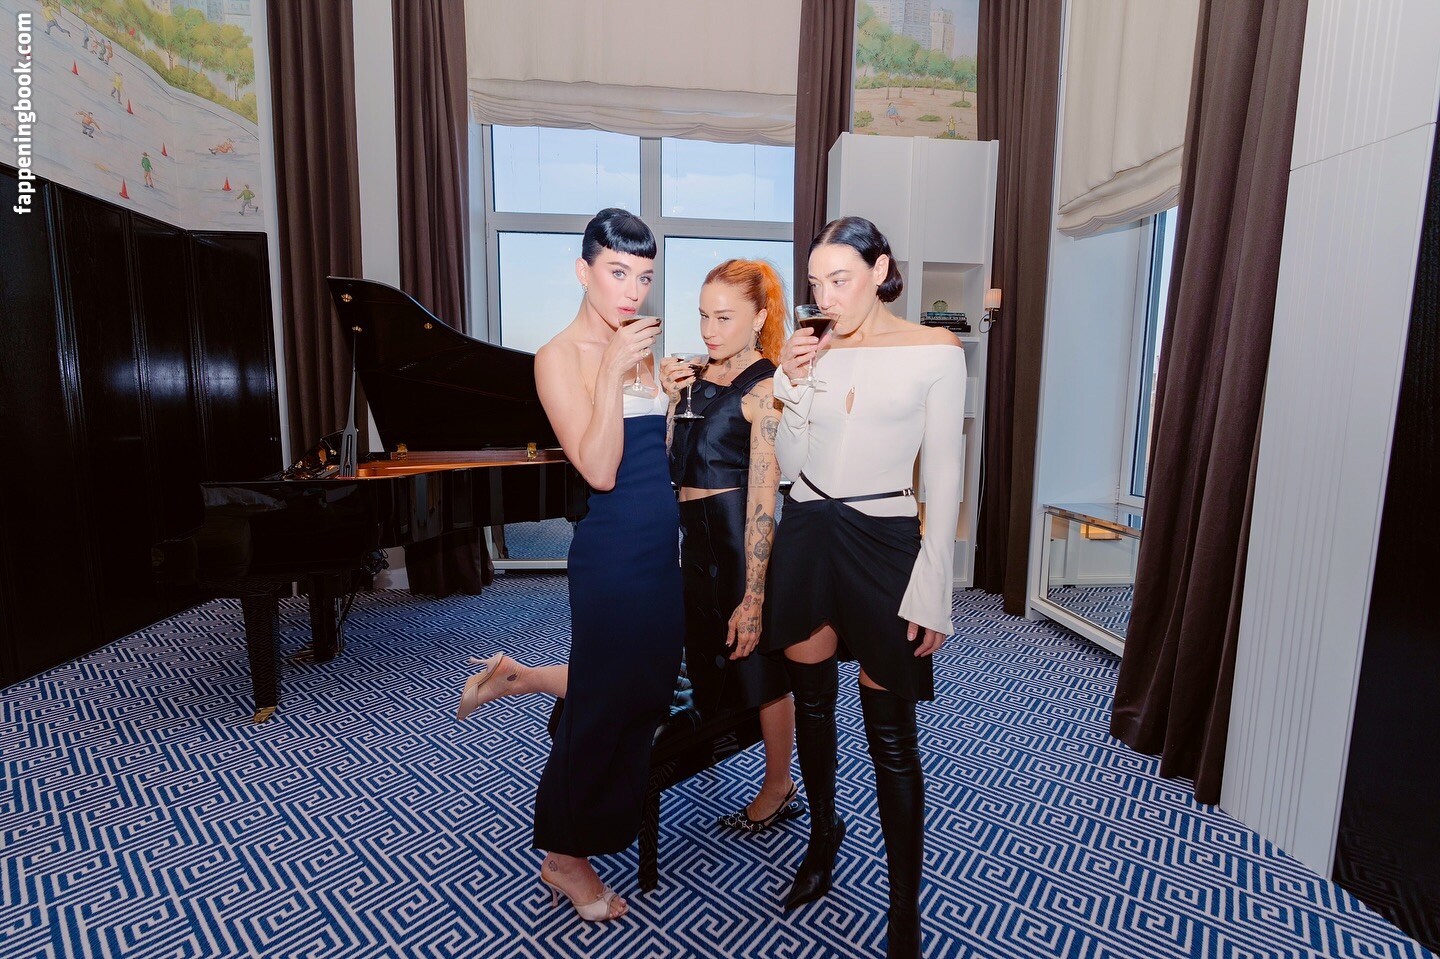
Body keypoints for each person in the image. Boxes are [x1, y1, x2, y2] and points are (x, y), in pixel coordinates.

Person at [455, 208, 681, 923]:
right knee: (603, 702)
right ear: (583, 270)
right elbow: (600, 469)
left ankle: (520, 678)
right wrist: (612, 371)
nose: (632, 291)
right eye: (618, 272)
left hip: (658, 544)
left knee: (644, 690)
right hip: (613, 552)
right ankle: (562, 855)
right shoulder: (557, 357)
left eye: (643, 276)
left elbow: (651, 457)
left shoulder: (635, 346)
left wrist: (668, 399)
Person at [765, 216, 965, 959]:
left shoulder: (934, 350)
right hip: (807, 531)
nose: (825, 297)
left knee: (892, 737)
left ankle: (904, 910)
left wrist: (935, 582)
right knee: (813, 708)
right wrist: (791, 383)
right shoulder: (811, 350)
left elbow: (944, 471)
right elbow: (791, 466)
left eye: (840, 279)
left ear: (880, 271)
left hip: (884, 542)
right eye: (816, 283)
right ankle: (823, 837)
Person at [658, 259, 800, 833]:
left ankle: (779, 784)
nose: (708, 330)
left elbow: (765, 497)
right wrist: (668, 398)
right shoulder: (693, 375)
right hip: (691, 537)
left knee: (763, 671)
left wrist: (755, 596)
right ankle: (708, 740)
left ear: (760, 317)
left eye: (723, 317)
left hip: (738, 541)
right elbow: (670, 458)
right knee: (702, 649)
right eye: (702, 316)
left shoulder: (765, 389)